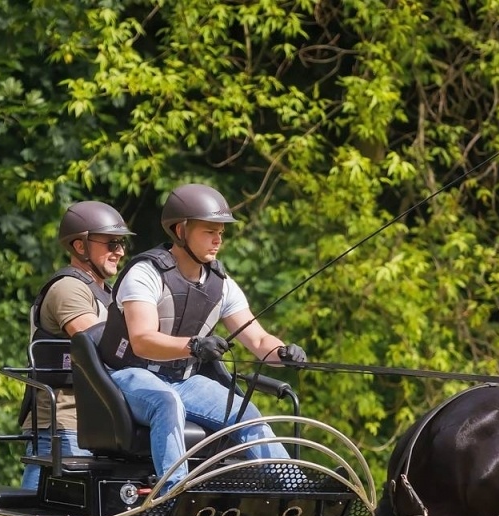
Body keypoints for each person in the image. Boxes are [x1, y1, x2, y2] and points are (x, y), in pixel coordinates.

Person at [96, 183, 307, 489]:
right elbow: (142, 340)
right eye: (209, 231)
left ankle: (296, 492)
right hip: (129, 375)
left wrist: (283, 352)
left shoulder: (221, 284)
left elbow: (260, 342)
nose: (218, 239)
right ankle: (174, 495)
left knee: (246, 412)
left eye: (221, 232)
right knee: (167, 402)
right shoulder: (146, 273)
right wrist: (193, 346)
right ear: (181, 230)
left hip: (184, 380)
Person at [20, 201, 134, 490]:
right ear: (80, 246)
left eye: (121, 243)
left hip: (98, 421)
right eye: (111, 242)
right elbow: (95, 344)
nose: (119, 251)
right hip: (65, 422)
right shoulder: (69, 288)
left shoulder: (105, 293)